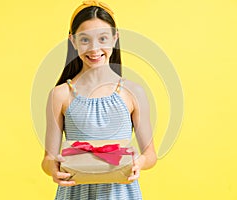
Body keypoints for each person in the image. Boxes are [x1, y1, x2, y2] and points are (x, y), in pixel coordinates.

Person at [41, 1, 157, 199]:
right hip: (75, 192)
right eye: (85, 40)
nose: (94, 49)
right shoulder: (60, 95)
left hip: (120, 193)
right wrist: (54, 169)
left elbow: (151, 156)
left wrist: (138, 162)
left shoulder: (133, 92)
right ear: (73, 41)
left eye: (103, 38)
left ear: (114, 38)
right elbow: (47, 159)